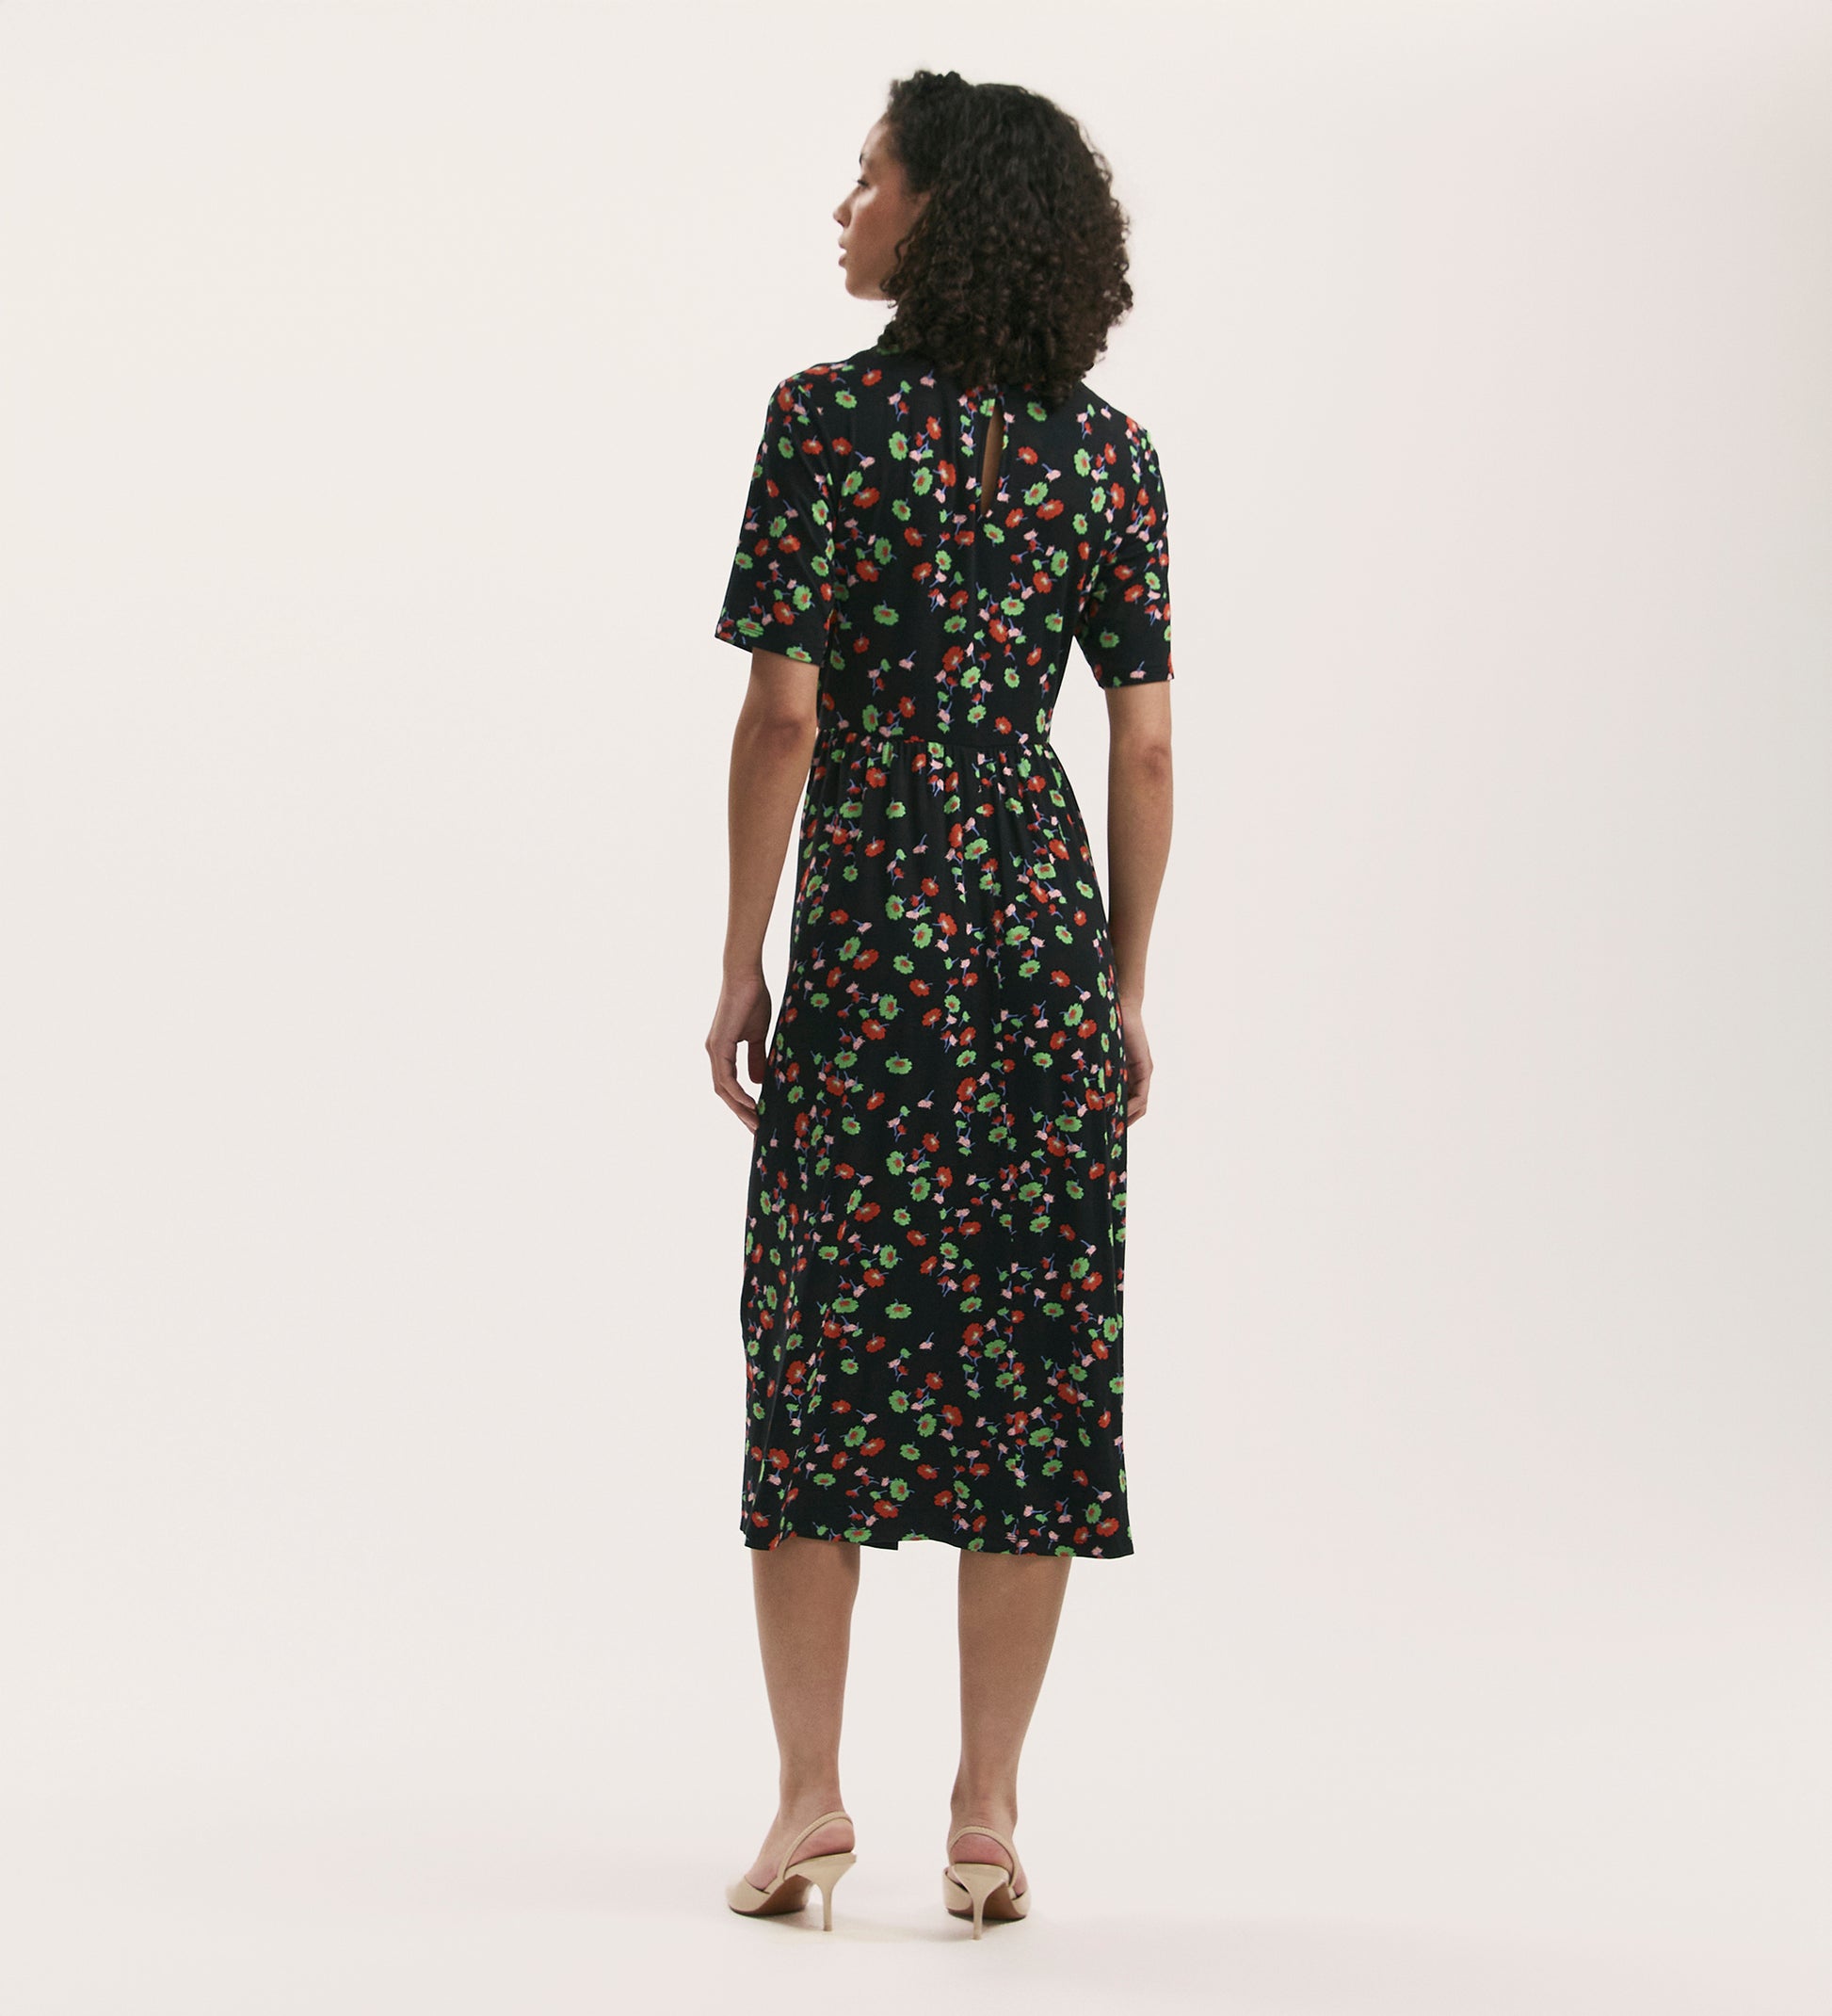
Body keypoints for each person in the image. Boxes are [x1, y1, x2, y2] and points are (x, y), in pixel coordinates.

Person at [706, 68, 1174, 1937]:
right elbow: (1144, 747)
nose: (844, 208)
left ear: (939, 212)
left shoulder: (822, 424)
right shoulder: (1109, 456)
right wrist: (1122, 985)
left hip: (874, 926)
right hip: (1038, 928)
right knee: (1031, 1363)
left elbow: (782, 714)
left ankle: (808, 1803)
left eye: (867, 178)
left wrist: (738, 955)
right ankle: (984, 1818)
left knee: (819, 1347)